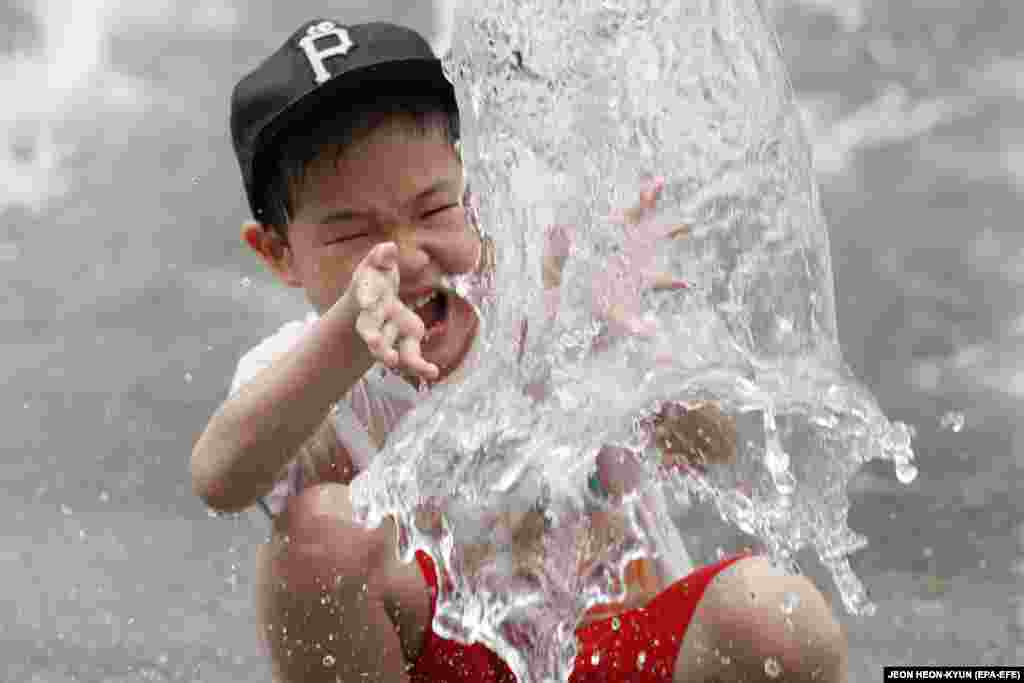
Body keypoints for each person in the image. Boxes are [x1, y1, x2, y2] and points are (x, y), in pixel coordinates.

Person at [191, 18, 848, 683]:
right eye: (350, 233)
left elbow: (711, 445)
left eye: (432, 210)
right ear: (278, 253)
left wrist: (624, 340)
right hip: (447, 668)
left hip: (622, 655)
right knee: (314, 539)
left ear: (475, 191)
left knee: (779, 616)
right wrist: (342, 341)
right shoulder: (309, 373)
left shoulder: (549, 299)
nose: (407, 255)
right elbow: (220, 477)